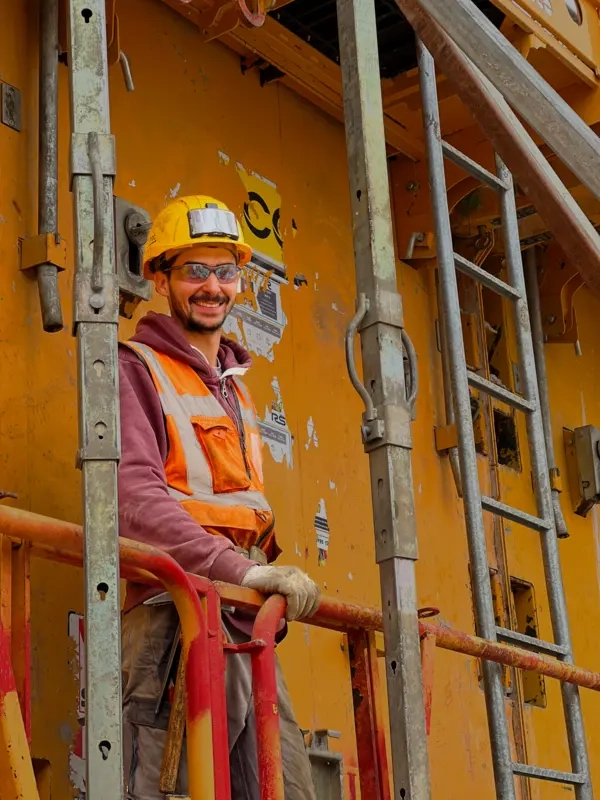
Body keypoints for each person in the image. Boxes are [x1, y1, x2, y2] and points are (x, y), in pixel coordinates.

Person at [118, 195, 320, 799]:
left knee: (285, 788)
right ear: (160, 279)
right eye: (194, 272)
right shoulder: (136, 368)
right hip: (173, 621)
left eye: (225, 272)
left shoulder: (235, 390)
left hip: (242, 622)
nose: (213, 287)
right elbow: (134, 501)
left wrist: (259, 577)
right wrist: (243, 572)